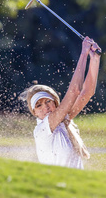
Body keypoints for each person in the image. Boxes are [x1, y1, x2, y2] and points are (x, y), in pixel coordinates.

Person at [20, 37, 101, 169]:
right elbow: (74, 91)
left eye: (48, 102)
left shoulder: (63, 120)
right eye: (38, 105)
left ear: (56, 104)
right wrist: (83, 53)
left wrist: (94, 59)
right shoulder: (42, 129)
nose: (45, 107)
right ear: (34, 112)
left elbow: (87, 92)